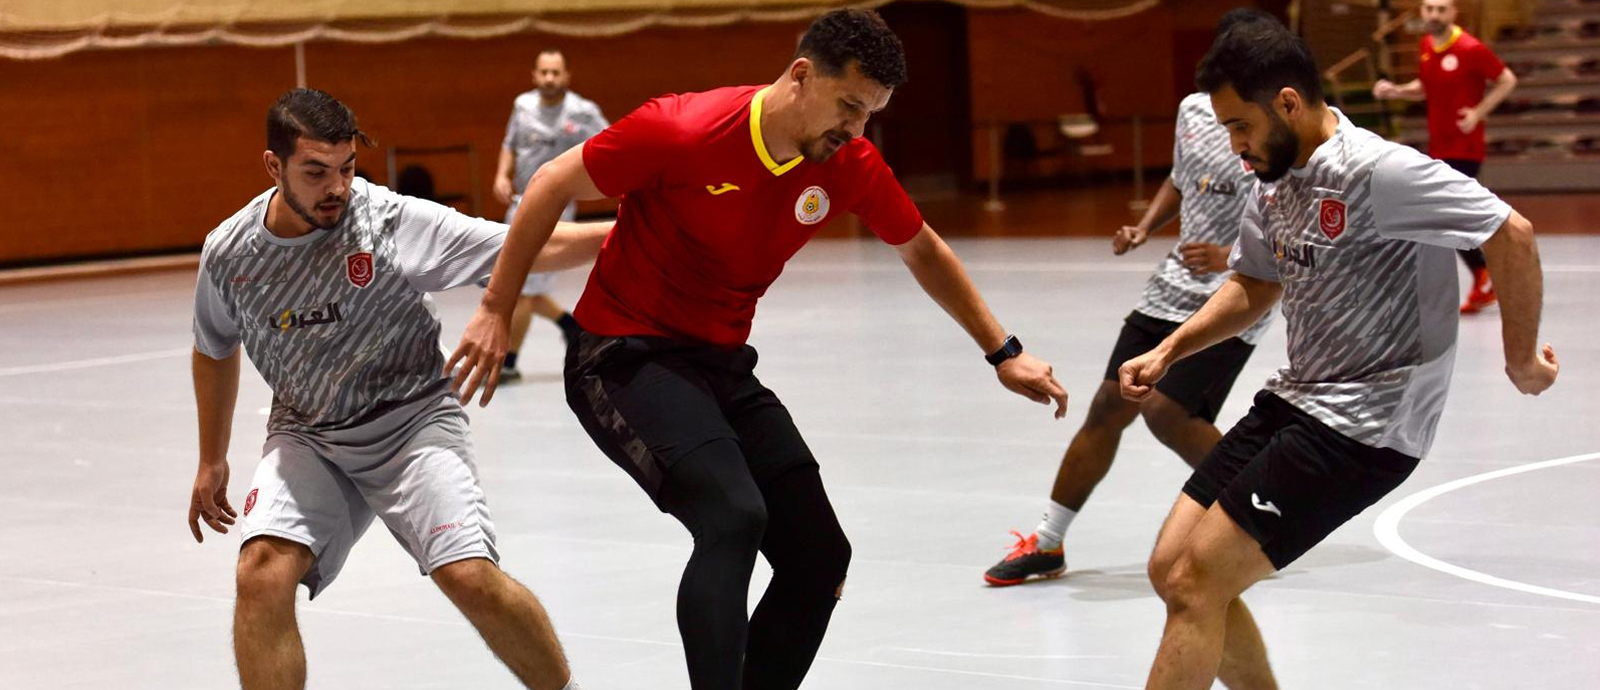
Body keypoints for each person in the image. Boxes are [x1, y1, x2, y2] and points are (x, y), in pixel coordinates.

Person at [446, 9, 1069, 690]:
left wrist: (1002, 350)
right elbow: (549, 184)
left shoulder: (848, 163)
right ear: (801, 76)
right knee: (733, 517)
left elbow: (921, 248)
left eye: (871, 114)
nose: (858, 129)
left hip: (719, 363)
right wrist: (495, 307)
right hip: (622, 354)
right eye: (849, 106)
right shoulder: (684, 128)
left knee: (819, 557)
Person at [1124, 18, 1557, 689]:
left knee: (1196, 580)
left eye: (1240, 126)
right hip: (1297, 396)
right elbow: (1255, 282)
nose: (1235, 145)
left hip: (1366, 423)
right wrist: (1170, 350)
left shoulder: (1381, 172)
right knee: (1169, 568)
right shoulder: (1271, 179)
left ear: (1288, 103)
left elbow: (1512, 233)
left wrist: (1520, 359)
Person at [188, 87, 607, 690]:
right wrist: (211, 459)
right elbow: (213, 347)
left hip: (411, 421)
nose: (337, 187)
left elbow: (518, 243)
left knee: (468, 577)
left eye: (347, 168)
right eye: (316, 172)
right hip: (309, 431)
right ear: (273, 167)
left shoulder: (384, 220)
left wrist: (627, 233)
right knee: (261, 572)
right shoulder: (230, 253)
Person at [984, 8, 1277, 589]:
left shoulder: (1275, 124)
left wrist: (1229, 254)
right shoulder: (1194, 110)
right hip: (1171, 286)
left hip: (1237, 290)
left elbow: (1286, 209)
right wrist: (1145, 226)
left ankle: (1265, 515)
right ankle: (1047, 543)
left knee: (1168, 413)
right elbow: (1180, 179)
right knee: (1109, 406)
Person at [1373, 0, 1518, 314]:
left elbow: (1507, 79)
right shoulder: (1427, 45)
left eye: (1441, 9)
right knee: (1448, 216)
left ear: (1453, 13)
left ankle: (1484, 274)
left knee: (1445, 214)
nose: (1434, 15)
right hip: (1439, 146)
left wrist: (1478, 112)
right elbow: (1425, 87)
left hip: (1465, 147)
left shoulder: (1470, 48)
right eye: (1429, 9)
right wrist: (1396, 90)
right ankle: (1484, 276)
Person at [491, 48, 610, 381]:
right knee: (516, 278)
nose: (549, 79)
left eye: (555, 72)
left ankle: (509, 362)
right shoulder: (522, 105)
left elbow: (611, 144)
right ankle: (570, 325)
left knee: (523, 288)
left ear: (566, 76)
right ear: (534, 75)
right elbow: (509, 144)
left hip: (556, 212)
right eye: (543, 72)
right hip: (518, 205)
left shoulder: (583, 112)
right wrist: (501, 175)